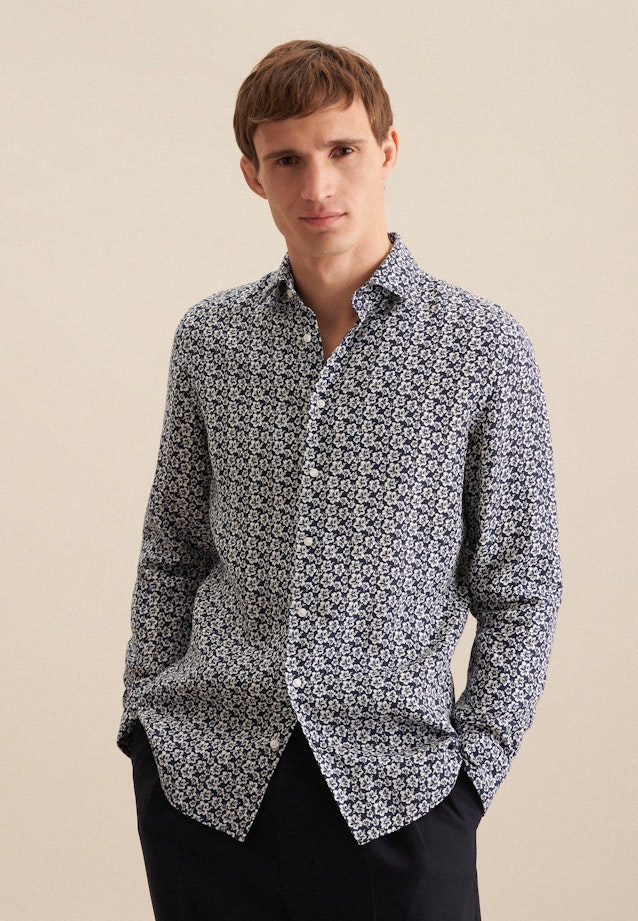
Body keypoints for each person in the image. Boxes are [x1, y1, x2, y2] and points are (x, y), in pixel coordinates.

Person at [118, 39, 562, 921]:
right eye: (287, 159)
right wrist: (146, 727)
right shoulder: (211, 339)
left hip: (399, 794)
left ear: (387, 150)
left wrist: (472, 772)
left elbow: (523, 583)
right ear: (253, 175)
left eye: (342, 149)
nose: (317, 185)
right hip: (208, 785)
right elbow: (174, 547)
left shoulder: (481, 347)